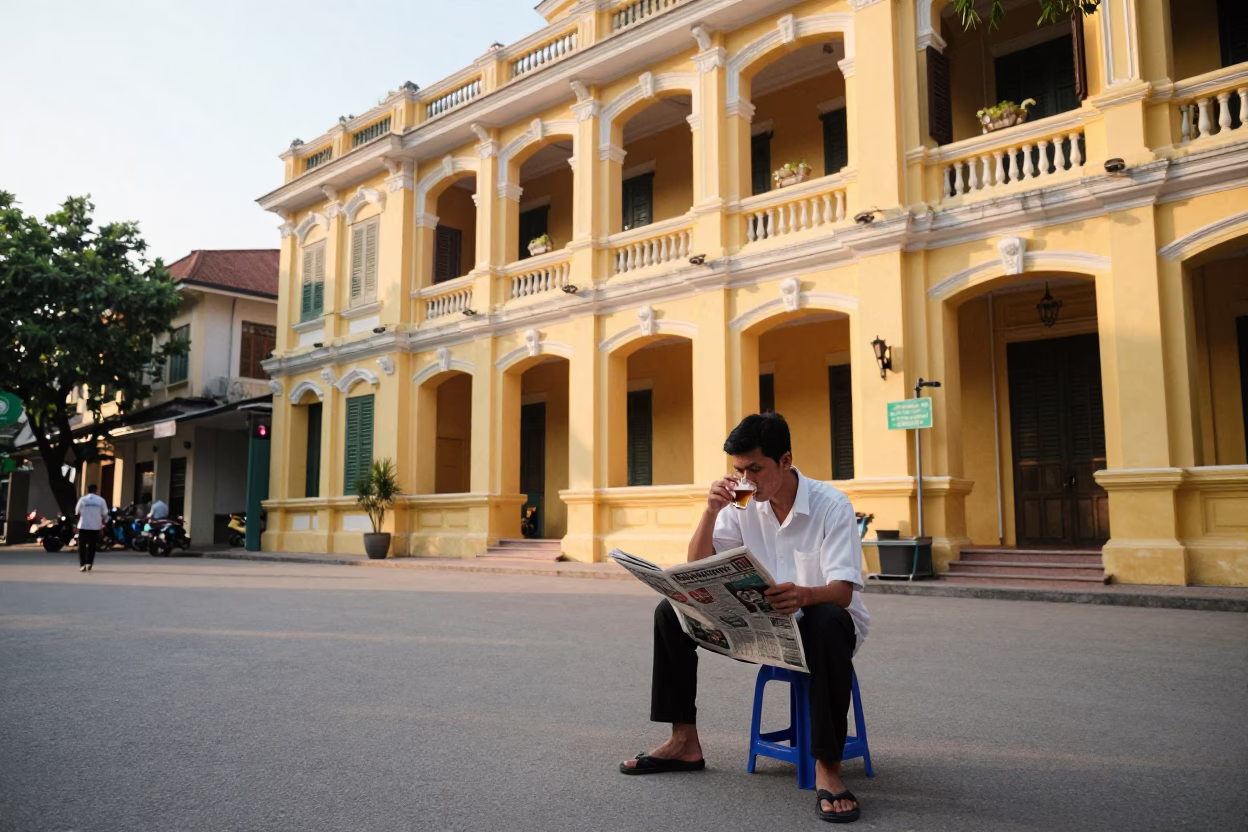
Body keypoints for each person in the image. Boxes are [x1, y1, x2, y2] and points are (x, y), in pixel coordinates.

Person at [620, 412, 870, 824]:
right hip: (760, 629)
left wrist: (804, 594)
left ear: (785, 461)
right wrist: (710, 512)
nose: (745, 480)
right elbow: (696, 565)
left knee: (825, 619)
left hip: (819, 631)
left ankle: (828, 766)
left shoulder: (831, 505)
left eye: (755, 468)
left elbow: (842, 592)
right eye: (737, 470)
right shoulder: (741, 502)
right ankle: (684, 742)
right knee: (672, 611)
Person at [74, 484, 110, 572]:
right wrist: (104, 520)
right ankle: (89, 563)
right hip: (95, 526)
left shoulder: (82, 499)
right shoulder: (101, 500)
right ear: (96, 490)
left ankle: (82, 565)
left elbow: (77, 511)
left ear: (88, 490)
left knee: (82, 546)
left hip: (83, 526)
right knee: (92, 546)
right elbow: (105, 513)